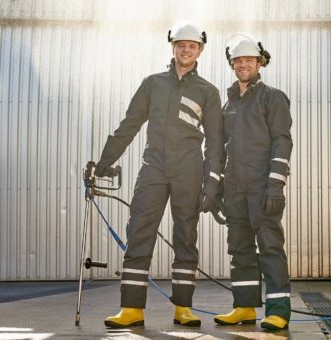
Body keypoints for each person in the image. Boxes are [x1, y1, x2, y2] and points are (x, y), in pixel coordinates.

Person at [94, 20, 223, 328]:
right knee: (139, 231)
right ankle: (132, 309)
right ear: (173, 47)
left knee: (185, 237)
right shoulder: (152, 84)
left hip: (189, 171)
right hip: (153, 168)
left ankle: (183, 309)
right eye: (181, 45)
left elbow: (217, 143)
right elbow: (129, 125)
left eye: (192, 46)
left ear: (200, 51)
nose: (186, 50)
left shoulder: (208, 92)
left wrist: (212, 183)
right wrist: (104, 161)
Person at [213, 33, 293, 331]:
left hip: (262, 187)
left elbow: (282, 141)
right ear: (232, 64)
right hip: (236, 190)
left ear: (260, 63)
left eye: (248, 60)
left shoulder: (272, 97)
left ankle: (279, 310)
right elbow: (223, 148)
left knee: (270, 247)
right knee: (240, 248)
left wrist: (275, 184)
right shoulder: (229, 103)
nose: (243, 65)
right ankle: (244, 307)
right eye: (238, 61)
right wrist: (219, 188)